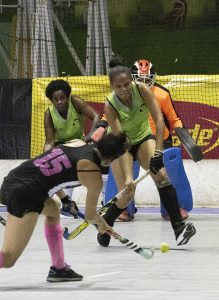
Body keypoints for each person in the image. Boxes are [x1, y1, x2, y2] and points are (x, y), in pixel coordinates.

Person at [0, 132, 130, 293]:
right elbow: (90, 215)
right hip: (26, 193)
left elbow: (48, 169)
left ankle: (58, 268)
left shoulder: (77, 142)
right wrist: (103, 225)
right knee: (9, 257)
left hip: (14, 179)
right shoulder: (92, 172)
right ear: (110, 160)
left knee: (53, 209)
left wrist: (65, 199)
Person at [96, 57, 196, 248]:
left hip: (143, 137)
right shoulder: (110, 105)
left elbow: (159, 120)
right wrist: (127, 177)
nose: (124, 89)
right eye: (119, 86)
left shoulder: (142, 89)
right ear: (112, 86)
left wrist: (158, 153)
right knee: (125, 195)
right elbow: (120, 141)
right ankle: (105, 224)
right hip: (121, 144)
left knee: (162, 176)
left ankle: (179, 228)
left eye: (127, 84)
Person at [129, 59, 191, 220]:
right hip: (132, 139)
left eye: (146, 80)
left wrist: (185, 136)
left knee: (167, 172)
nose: (143, 83)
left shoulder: (162, 94)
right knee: (124, 172)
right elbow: (108, 117)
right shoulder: (124, 94)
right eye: (139, 79)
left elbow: (173, 118)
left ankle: (172, 208)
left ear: (153, 79)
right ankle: (124, 209)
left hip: (160, 141)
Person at [43, 79, 100, 218]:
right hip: (61, 146)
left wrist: (91, 136)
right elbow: (50, 141)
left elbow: (96, 116)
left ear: (67, 97)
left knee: (98, 164)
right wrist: (45, 158)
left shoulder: (75, 102)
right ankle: (66, 203)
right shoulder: (49, 114)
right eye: (55, 99)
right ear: (52, 100)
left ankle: (102, 201)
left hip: (79, 143)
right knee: (49, 169)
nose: (59, 102)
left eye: (62, 98)